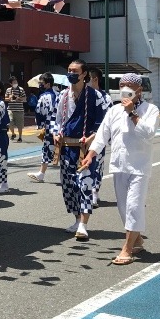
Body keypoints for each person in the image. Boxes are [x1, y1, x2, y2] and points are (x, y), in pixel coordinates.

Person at [81, 73, 160, 265]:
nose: (124, 88)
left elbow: (149, 134)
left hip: (139, 167)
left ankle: (127, 248)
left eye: (129, 86)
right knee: (124, 208)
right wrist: (91, 154)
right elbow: (102, 135)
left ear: (139, 90)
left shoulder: (151, 110)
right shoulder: (114, 110)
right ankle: (137, 239)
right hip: (119, 165)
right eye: (121, 85)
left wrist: (133, 113)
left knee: (134, 206)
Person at [53, 60, 104, 241]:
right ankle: (76, 218)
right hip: (67, 147)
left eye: (75, 71)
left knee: (85, 184)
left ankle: (84, 224)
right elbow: (57, 119)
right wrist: (56, 133)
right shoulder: (63, 96)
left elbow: (102, 124)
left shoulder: (95, 96)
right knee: (69, 186)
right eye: (69, 70)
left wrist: (92, 136)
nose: (71, 73)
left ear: (84, 75)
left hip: (85, 149)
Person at [87, 68, 112, 207]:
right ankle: (86, 192)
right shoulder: (83, 95)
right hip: (83, 137)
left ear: (95, 79)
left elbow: (108, 120)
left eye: (88, 78)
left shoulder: (105, 97)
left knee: (97, 165)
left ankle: (94, 193)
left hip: (98, 137)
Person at [27, 73, 58, 183]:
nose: (40, 85)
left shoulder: (44, 96)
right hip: (60, 126)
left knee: (47, 148)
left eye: (41, 83)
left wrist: (40, 125)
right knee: (61, 149)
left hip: (50, 126)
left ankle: (41, 173)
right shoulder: (59, 94)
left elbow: (39, 112)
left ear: (48, 84)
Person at [5, 76, 26, 142]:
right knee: (10, 122)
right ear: (11, 84)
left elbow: (25, 99)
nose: (15, 83)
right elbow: (5, 99)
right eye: (14, 82)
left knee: (20, 124)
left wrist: (18, 98)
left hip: (19, 110)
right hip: (10, 109)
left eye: (16, 82)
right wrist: (10, 98)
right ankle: (13, 133)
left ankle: (20, 137)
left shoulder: (21, 89)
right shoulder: (8, 90)